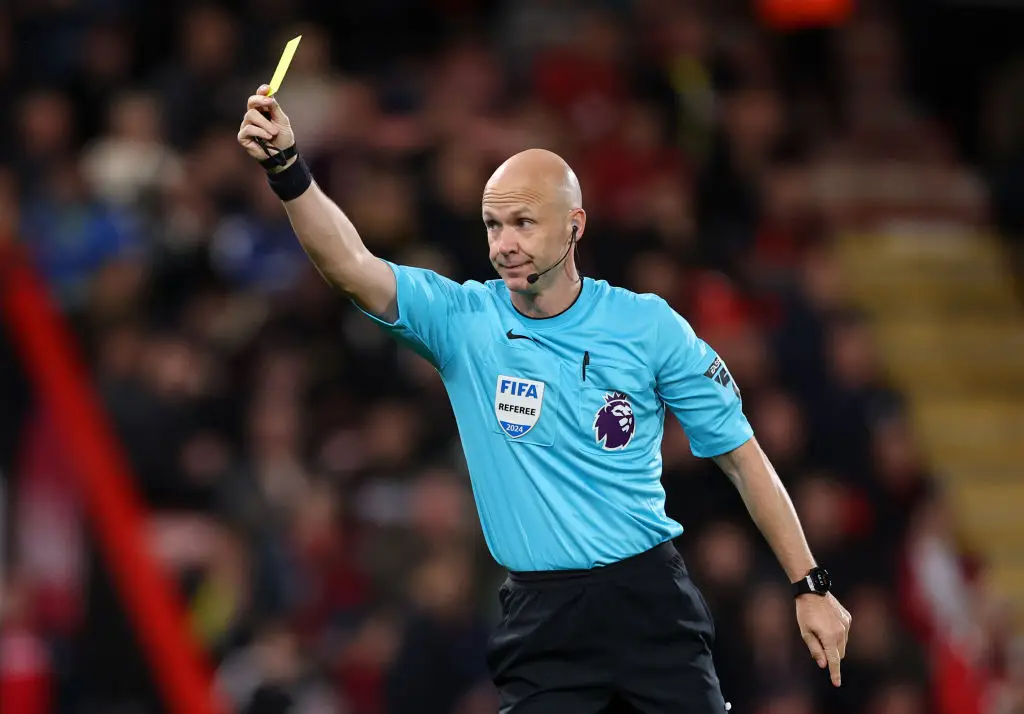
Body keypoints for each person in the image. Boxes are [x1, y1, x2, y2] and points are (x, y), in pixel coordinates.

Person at [237, 85, 852, 713]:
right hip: (542, 617)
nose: (503, 243)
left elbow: (742, 456)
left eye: (523, 223)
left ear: (574, 225)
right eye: (493, 225)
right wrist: (288, 169)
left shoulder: (647, 325)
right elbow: (350, 263)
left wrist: (809, 584)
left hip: (647, 602)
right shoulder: (466, 323)